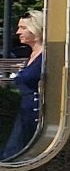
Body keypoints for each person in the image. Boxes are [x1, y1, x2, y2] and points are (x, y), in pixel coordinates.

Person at [3, 13, 42, 161]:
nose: (18, 32)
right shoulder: (32, 55)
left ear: (36, 29)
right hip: (24, 113)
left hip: (36, 115)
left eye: (23, 28)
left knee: (15, 155)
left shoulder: (46, 57)